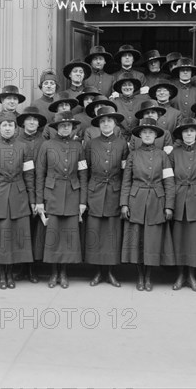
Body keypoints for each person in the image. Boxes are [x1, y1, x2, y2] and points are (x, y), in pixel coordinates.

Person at [0, 113, 35, 289]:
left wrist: (32, 200)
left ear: (16, 128)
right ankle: (1, 274)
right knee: (0, 237)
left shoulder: (24, 148)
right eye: (4, 125)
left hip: (19, 195)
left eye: (11, 125)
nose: (8, 128)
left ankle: (11, 273)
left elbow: (29, 176)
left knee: (15, 237)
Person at [120, 117, 175, 291]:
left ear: (156, 135)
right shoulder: (133, 155)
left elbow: (169, 182)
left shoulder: (162, 155)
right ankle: (139, 276)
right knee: (137, 239)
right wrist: (124, 203)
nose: (148, 135)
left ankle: (149, 276)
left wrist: (169, 205)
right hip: (136, 199)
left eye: (151, 132)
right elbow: (126, 181)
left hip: (156, 201)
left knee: (152, 240)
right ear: (140, 135)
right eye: (144, 132)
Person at [35, 111, 88, 288]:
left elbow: (82, 174)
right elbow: (40, 174)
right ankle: (53, 273)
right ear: (57, 127)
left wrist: (82, 201)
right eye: (62, 125)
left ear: (72, 128)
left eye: (69, 126)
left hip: (72, 194)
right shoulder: (47, 145)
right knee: (53, 235)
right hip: (52, 194)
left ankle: (64, 272)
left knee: (67, 236)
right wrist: (40, 201)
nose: (66, 128)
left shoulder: (78, 146)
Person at [85, 106, 129, 287]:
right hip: (95, 192)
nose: (106, 124)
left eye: (109, 121)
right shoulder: (90, 144)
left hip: (114, 192)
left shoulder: (122, 144)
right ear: (98, 124)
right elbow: (85, 169)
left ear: (115, 124)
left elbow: (126, 171)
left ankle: (110, 272)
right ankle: (97, 272)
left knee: (111, 234)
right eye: (102, 121)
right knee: (95, 232)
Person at [169, 118, 196, 292]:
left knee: (194, 240)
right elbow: (169, 179)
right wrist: (171, 203)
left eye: (192, 131)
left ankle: (192, 276)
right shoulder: (173, 154)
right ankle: (180, 275)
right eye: (185, 131)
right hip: (179, 198)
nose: (189, 134)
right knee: (179, 240)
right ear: (181, 134)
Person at [16, 106, 48, 283]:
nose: (32, 122)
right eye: (28, 119)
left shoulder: (45, 141)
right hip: (20, 189)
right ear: (23, 123)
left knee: (37, 231)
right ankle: (21, 267)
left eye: (35, 120)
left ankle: (33, 268)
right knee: (23, 229)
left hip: (41, 188)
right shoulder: (16, 140)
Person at [111, 76, 146, 141]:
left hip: (137, 138)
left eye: (130, 85)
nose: (127, 87)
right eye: (124, 85)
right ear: (120, 88)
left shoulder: (141, 102)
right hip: (119, 138)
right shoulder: (114, 102)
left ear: (134, 87)